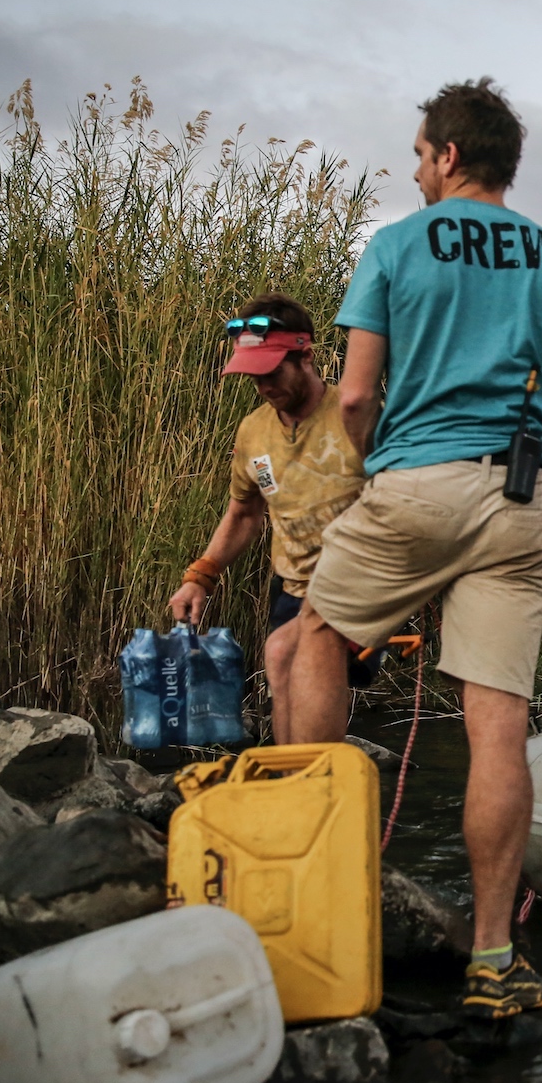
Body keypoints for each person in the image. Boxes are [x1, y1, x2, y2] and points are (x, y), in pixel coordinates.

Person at [288, 79, 542, 1021]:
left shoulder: (396, 245)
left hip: (415, 483)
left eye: (417, 152)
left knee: (315, 635)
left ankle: (305, 893)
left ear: (444, 155)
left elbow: (353, 398)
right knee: (496, 726)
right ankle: (491, 960)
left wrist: (375, 484)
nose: (413, 166)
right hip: (524, 506)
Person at [167, 294, 366, 745]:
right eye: (253, 374)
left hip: (359, 583)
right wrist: (201, 576)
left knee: (283, 652)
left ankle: (313, 785)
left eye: (272, 371)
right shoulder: (253, 431)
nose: (263, 385)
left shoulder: (357, 416)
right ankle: (296, 788)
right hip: (292, 585)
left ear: (307, 356)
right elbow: (243, 513)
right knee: (280, 665)